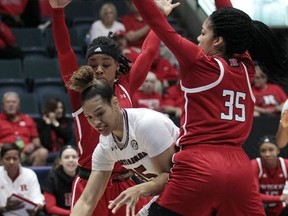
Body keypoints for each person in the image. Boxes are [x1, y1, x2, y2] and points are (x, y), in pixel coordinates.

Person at [129, 0, 288, 215]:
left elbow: (156, 23)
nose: (198, 38)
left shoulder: (198, 63)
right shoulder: (246, 66)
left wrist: (159, 11)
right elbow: (229, 14)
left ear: (218, 40)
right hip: (240, 169)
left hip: (198, 165)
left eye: (203, 33)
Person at [49, 0, 163, 214]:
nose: (99, 69)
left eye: (106, 64)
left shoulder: (126, 86)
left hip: (126, 182)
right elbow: (64, 52)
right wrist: (57, 11)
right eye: (93, 64)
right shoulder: (79, 91)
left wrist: (161, 17)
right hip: (89, 181)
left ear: (117, 65)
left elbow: (147, 52)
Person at [67, 67, 179, 216]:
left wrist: (139, 188)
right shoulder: (105, 146)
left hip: (192, 183)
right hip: (170, 193)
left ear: (115, 103)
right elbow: (87, 200)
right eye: (90, 117)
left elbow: (171, 177)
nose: (96, 122)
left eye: (100, 113)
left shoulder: (145, 125)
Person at [0, 91, 48, 166]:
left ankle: (32, 177)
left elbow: (36, 141)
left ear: (19, 105)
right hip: (4, 155)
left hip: (25, 154)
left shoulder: (28, 119)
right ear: (3, 105)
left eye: (14, 102)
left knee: (43, 152)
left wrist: (32, 145)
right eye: (8, 102)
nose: (11, 104)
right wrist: (5, 148)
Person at [0, 143, 44, 215]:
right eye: (7, 159)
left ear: (20, 159)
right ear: (1, 160)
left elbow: (38, 199)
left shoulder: (30, 174)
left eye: (15, 158)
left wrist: (36, 207)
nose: (11, 162)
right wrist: (5, 208)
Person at [251, 135, 288, 216]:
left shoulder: (286, 164)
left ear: (278, 150)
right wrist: (280, 198)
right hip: (260, 208)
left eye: (271, 150)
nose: (267, 154)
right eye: (263, 151)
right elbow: (253, 195)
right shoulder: (255, 165)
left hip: (280, 209)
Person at [42, 145, 78, 216]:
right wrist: (73, 214)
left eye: (74, 157)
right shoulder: (52, 179)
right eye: (66, 157)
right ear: (60, 161)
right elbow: (50, 208)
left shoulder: (84, 177)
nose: (71, 160)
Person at [38, 97, 73, 164]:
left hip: (65, 150)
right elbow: (46, 144)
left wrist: (54, 123)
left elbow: (67, 137)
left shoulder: (67, 121)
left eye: (61, 108)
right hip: (49, 152)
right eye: (57, 108)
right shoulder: (42, 122)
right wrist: (48, 124)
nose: (60, 110)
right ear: (50, 110)